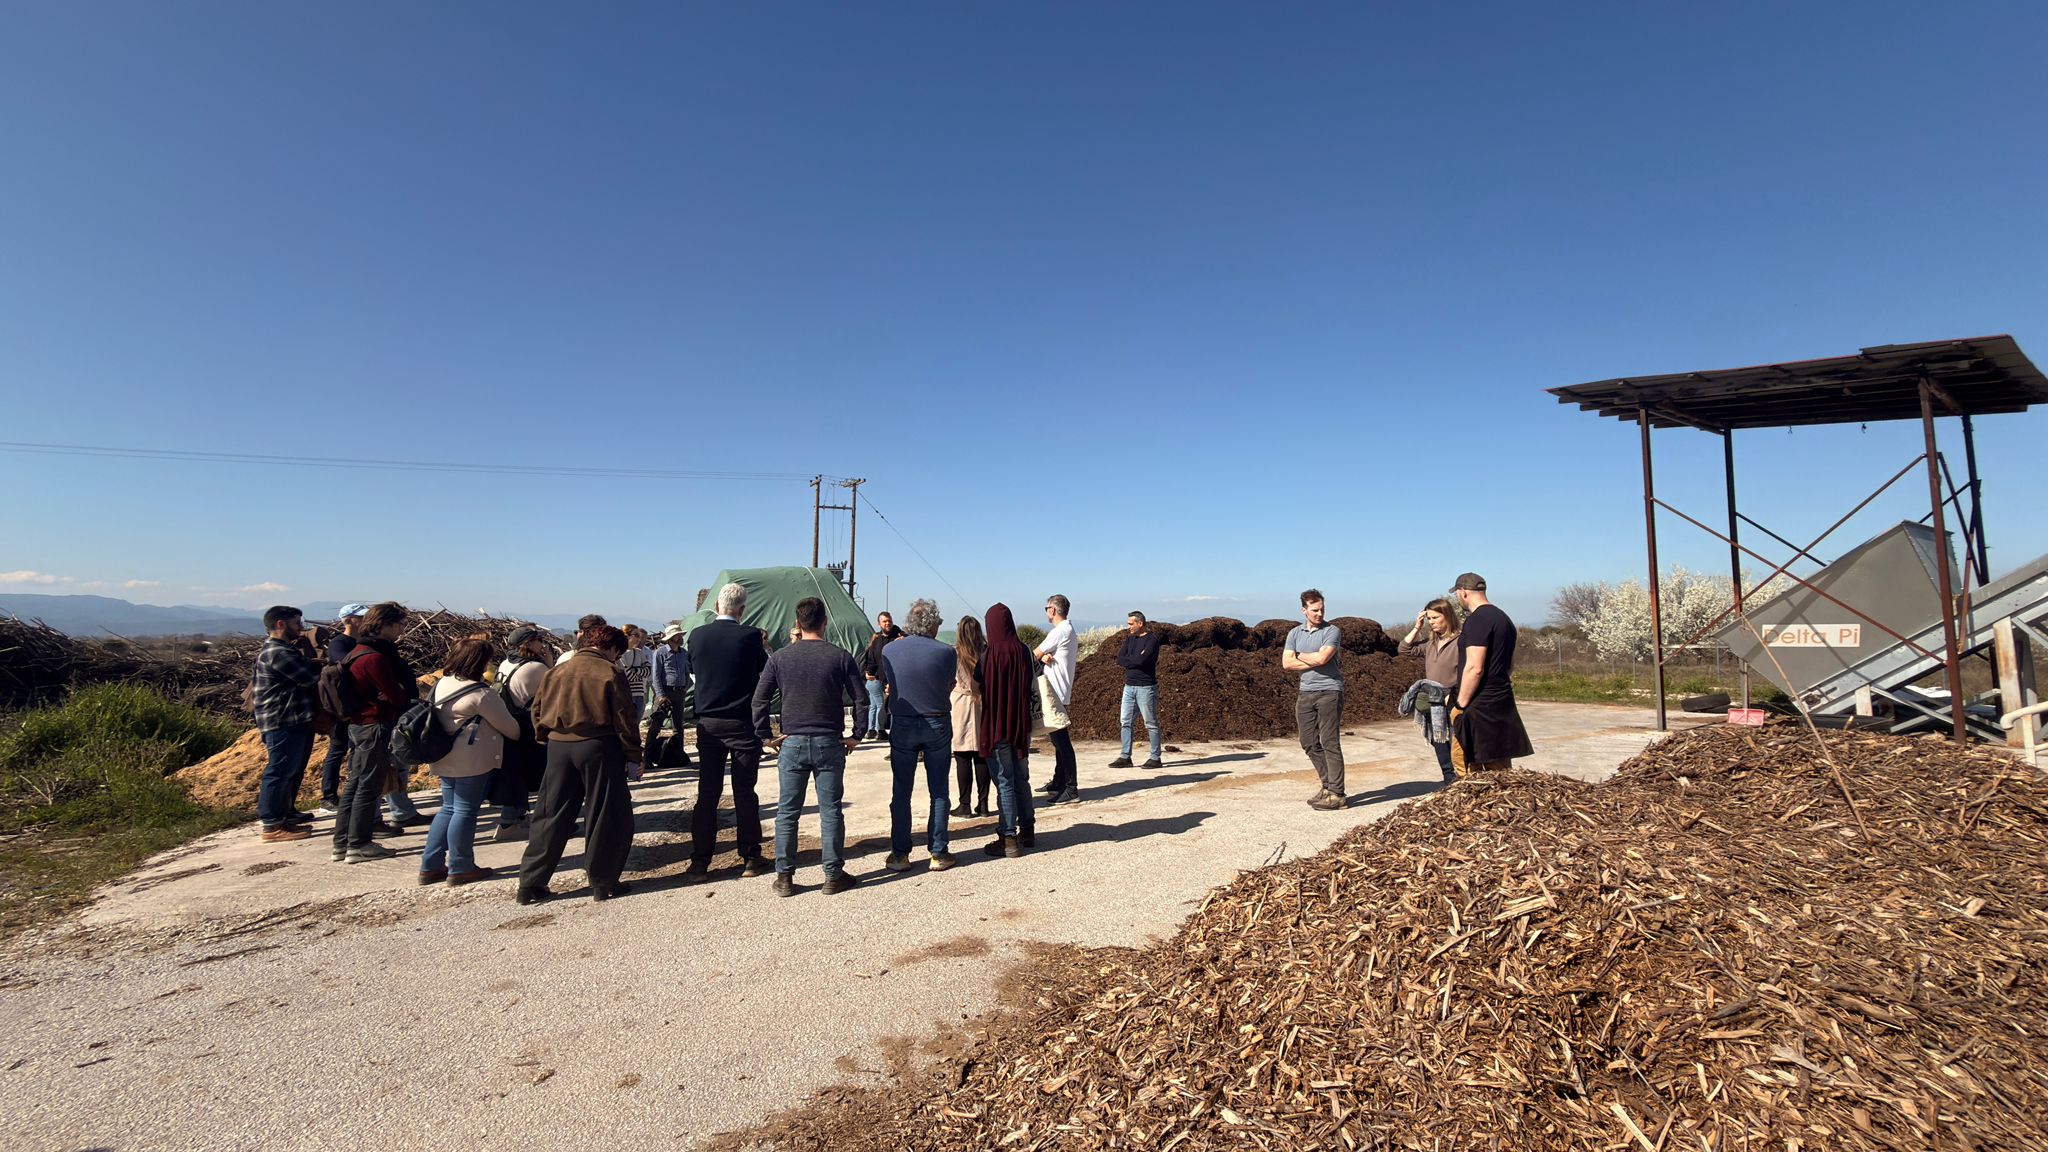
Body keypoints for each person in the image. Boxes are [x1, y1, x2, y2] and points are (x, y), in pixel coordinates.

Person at [516, 624, 642, 903]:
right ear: (611, 648)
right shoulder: (610, 672)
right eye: (617, 653)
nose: (617, 658)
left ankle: (530, 883)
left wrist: (547, 738)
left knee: (550, 814)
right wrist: (634, 755)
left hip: (559, 747)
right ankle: (602, 881)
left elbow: (537, 711)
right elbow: (624, 718)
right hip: (598, 745)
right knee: (605, 814)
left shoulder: (556, 671)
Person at [752, 596, 869, 896]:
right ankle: (832, 874)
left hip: (791, 742)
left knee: (787, 812)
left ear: (797, 623)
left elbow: (760, 699)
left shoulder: (779, 658)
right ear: (825, 622)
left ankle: (785, 877)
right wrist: (858, 733)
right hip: (829, 741)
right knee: (831, 810)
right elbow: (860, 697)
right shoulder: (840, 656)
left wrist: (766, 736)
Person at [683, 583, 770, 880]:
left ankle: (700, 861)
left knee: (707, 794)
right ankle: (749, 856)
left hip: (708, 722)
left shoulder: (697, 635)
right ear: (742, 609)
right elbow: (765, 673)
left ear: (717, 605)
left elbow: (693, 669)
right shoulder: (749, 636)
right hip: (742, 722)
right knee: (744, 791)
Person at [420, 639, 522, 886]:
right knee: (465, 811)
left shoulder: (442, 684)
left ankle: (430, 864)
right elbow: (512, 730)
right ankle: (461, 865)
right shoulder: (481, 694)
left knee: (448, 808)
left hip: (443, 755)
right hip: (472, 759)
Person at [332, 602, 416, 862]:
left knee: (355, 785)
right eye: (399, 624)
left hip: (360, 725)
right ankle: (359, 844)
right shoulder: (375, 657)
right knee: (368, 787)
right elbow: (396, 695)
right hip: (375, 725)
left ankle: (342, 841)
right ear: (385, 625)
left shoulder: (358, 651)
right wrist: (398, 690)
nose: (402, 630)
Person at [881, 598, 958, 872]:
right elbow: (949, 684)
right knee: (939, 790)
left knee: (901, 790)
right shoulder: (947, 652)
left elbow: (890, 683)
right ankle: (938, 851)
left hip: (902, 721)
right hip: (936, 720)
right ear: (933, 624)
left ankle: (900, 853)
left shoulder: (890, 650)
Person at [1450, 573, 1535, 773]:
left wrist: (1461, 704)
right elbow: (1509, 664)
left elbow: (1474, 667)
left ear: (1463, 592)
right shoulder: (1503, 619)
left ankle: (1470, 804)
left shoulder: (1477, 620)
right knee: (1499, 766)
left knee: (1465, 765)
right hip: (1501, 699)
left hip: (1479, 705)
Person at [251, 605, 320, 842]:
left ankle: (285, 813)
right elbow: (312, 678)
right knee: (279, 770)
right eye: (296, 623)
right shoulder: (279, 653)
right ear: (281, 624)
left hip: (290, 719)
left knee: (290, 769)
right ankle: (272, 825)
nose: (301, 628)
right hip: (282, 719)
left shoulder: (281, 650)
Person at [977, 604, 1035, 858]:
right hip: (1021, 724)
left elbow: (977, 684)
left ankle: (1008, 837)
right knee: (1021, 778)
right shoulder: (1023, 650)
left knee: (1004, 781)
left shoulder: (987, 655)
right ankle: (1028, 830)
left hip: (997, 724)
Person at [1283, 588, 1346, 811]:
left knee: (1329, 741)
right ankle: (1327, 786)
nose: (1319, 614)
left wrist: (1299, 656)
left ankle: (1337, 793)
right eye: (1315, 610)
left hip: (1330, 691)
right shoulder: (1295, 634)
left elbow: (1322, 658)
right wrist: (1309, 659)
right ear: (1304, 610)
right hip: (1306, 691)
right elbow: (1286, 664)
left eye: (1322, 609)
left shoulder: (1332, 631)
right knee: (1308, 742)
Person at [490, 625, 554, 840]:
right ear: (527, 644)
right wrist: (549, 664)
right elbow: (555, 690)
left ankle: (513, 818)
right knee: (546, 774)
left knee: (516, 772)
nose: (541, 644)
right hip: (529, 725)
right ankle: (544, 821)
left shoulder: (505, 663)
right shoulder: (535, 667)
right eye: (537, 640)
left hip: (508, 722)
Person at [1398, 599, 1463, 781]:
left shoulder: (1461, 641)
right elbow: (1404, 649)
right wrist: (1417, 627)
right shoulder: (1431, 643)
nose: (1432, 622)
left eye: (1435, 617)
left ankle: (1461, 774)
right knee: (1439, 739)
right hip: (1432, 700)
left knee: (1456, 739)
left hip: (1454, 696)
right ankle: (1449, 777)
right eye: (1429, 618)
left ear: (1447, 616)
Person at [316, 603, 368, 815]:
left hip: (360, 707)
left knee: (357, 752)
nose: (365, 621)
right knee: (337, 751)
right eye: (361, 618)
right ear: (348, 620)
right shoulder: (339, 643)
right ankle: (328, 796)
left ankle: (354, 793)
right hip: (343, 708)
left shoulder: (361, 642)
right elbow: (347, 665)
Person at [1035, 594, 1079, 804]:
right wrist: (1044, 657)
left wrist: (1040, 655)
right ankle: (1060, 781)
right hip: (1060, 691)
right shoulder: (1066, 631)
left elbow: (1034, 653)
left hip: (1055, 692)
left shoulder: (1060, 631)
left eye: (1046, 608)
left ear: (1053, 610)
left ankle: (1071, 787)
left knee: (1062, 742)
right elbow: (1043, 655)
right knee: (1057, 741)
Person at [1109, 611, 1164, 770]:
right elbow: (1120, 659)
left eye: (1131, 624)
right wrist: (1133, 660)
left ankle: (1155, 757)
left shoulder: (1152, 641)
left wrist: (1131, 660)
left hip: (1146, 688)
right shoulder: (1130, 639)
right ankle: (1125, 757)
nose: (1128, 627)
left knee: (1150, 723)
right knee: (1125, 722)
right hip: (1129, 687)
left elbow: (1142, 660)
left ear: (1140, 623)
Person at [949, 615, 989, 818]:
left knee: (963, 755)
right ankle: (983, 804)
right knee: (981, 755)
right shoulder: (985, 651)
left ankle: (964, 803)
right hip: (982, 703)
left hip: (962, 703)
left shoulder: (955, 653)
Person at [644, 623, 694, 769]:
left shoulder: (683, 653)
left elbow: (687, 672)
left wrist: (686, 686)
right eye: (678, 636)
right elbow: (656, 676)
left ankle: (678, 755)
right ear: (672, 638)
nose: (681, 638)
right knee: (656, 726)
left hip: (679, 692)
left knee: (679, 726)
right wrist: (660, 695)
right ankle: (647, 758)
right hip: (665, 691)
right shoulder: (660, 653)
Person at [859, 612, 902, 741]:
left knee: (889, 708)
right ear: (879, 624)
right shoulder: (876, 641)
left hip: (895, 680)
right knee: (880, 706)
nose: (887, 623)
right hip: (880, 680)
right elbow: (872, 660)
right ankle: (879, 730)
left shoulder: (899, 637)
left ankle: (887, 733)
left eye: (889, 620)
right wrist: (868, 672)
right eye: (884, 621)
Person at [617, 625, 653, 724]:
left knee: (636, 726)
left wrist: (634, 670)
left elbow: (648, 672)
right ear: (627, 636)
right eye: (636, 635)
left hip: (640, 695)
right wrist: (639, 671)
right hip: (626, 696)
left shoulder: (639, 653)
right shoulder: (619, 654)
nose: (639, 638)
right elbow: (627, 676)